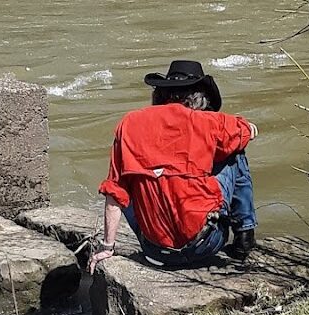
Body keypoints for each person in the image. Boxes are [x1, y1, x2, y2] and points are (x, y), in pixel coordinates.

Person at [88, 60, 259, 274]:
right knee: (235, 151)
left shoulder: (129, 123)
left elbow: (114, 192)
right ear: (201, 98)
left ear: (160, 94)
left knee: (126, 182)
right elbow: (247, 131)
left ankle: (157, 236)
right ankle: (245, 235)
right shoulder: (209, 121)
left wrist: (107, 247)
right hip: (205, 244)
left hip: (154, 249)